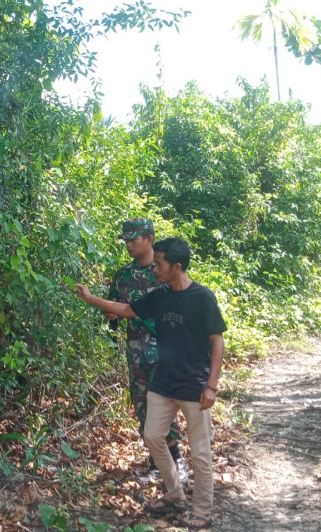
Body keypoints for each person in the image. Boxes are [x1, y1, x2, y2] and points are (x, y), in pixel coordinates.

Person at [76, 238, 226, 531]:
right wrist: (91, 298)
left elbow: (217, 341)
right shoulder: (161, 295)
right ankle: (174, 492)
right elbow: (127, 310)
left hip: (195, 386)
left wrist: (212, 385)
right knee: (152, 435)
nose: (155, 268)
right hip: (164, 382)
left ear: (177, 266)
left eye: (160, 264)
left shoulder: (202, 297)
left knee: (200, 451)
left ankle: (202, 510)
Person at [108, 218, 185, 483]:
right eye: (126, 240)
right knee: (143, 406)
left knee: (165, 406)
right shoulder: (123, 276)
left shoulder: (166, 270)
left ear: (149, 239)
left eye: (133, 239)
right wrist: (111, 322)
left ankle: (177, 460)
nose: (128, 244)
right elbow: (114, 309)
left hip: (167, 353)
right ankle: (156, 464)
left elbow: (184, 305)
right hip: (137, 353)